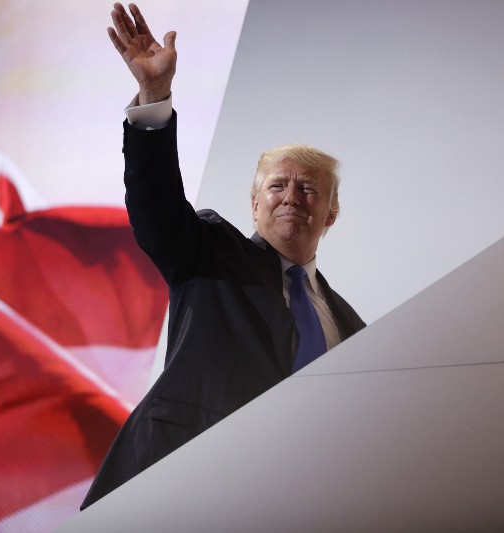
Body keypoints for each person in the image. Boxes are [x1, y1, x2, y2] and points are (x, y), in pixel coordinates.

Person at [80, 3, 366, 509]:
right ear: (255, 204)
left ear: (332, 214)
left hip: (291, 501)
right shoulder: (209, 254)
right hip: (175, 488)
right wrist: (153, 96)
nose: (292, 196)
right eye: (278, 185)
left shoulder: (352, 326)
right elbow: (155, 203)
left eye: (310, 189)